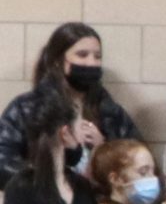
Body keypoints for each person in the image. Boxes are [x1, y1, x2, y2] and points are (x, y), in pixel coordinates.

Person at [0, 23, 140, 184]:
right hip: (44, 197)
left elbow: (139, 164)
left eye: (97, 56)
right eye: (82, 55)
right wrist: (50, 180)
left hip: (97, 198)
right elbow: (3, 162)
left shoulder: (111, 112)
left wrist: (104, 149)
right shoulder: (26, 108)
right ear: (57, 61)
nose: (92, 63)